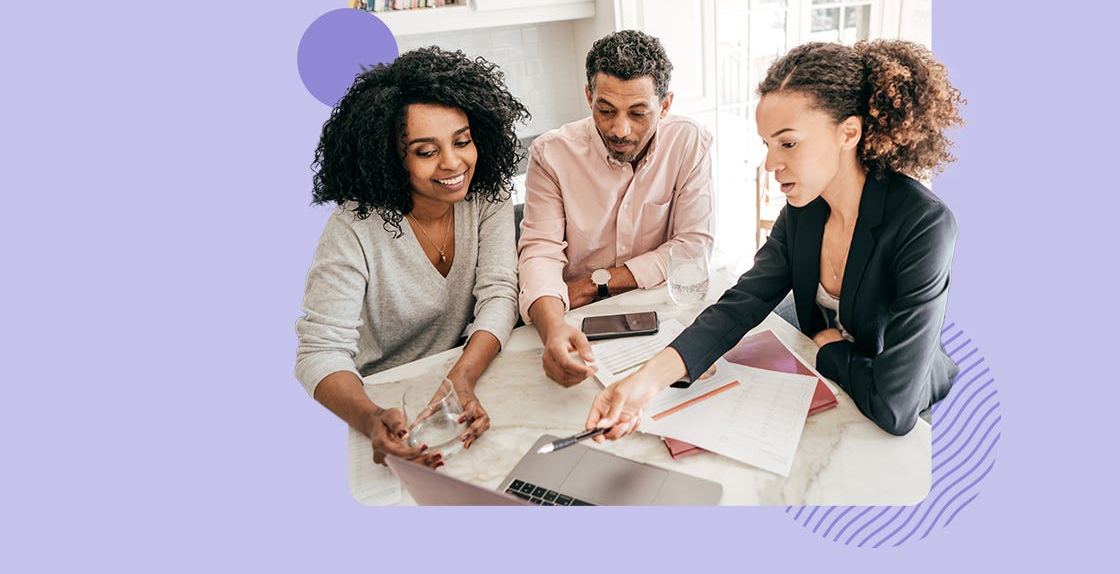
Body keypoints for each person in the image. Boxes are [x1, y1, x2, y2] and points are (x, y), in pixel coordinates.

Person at [586, 39, 965, 438]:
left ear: (848, 133)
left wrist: (828, 346)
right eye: (767, 145)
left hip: (911, 413)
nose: (770, 164)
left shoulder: (923, 225)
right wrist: (644, 383)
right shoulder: (806, 209)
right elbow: (744, 300)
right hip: (836, 387)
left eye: (788, 143)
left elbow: (894, 408)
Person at [295, 46, 529, 467]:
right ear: (391, 158)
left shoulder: (487, 194)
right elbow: (319, 352)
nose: (453, 162)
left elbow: (499, 293)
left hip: (465, 371)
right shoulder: (353, 227)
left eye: (462, 141)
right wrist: (372, 419)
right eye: (426, 151)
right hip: (381, 400)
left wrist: (463, 376)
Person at [517, 30, 714, 387]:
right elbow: (539, 253)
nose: (620, 129)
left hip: (659, 311)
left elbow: (692, 248)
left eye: (639, 113)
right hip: (576, 319)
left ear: (665, 105)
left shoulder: (689, 142)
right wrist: (553, 331)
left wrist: (598, 283)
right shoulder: (551, 155)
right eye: (605, 110)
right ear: (589, 95)